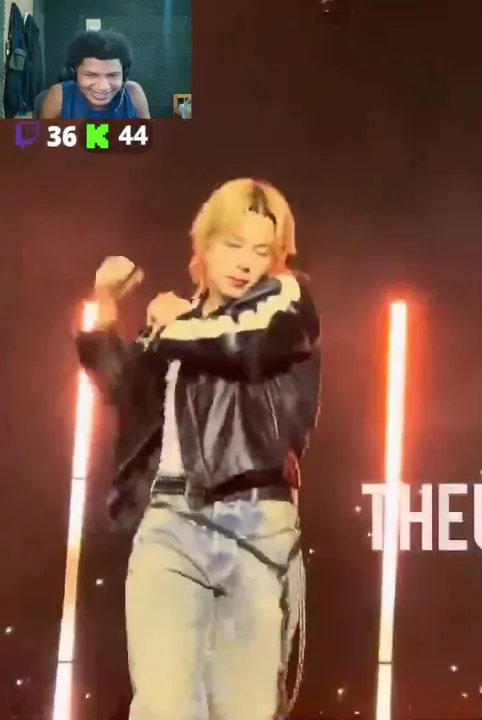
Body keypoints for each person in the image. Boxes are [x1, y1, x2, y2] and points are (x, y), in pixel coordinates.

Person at [75, 179, 319, 720]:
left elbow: (244, 346)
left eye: (262, 250)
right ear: (204, 245)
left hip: (254, 526)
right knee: (162, 707)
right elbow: (123, 389)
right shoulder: (177, 326)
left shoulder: (287, 302)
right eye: (234, 244)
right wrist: (104, 304)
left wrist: (174, 325)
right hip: (169, 523)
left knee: (244, 709)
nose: (246, 262)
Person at [39, 29, 149, 119]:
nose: (103, 87)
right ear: (74, 73)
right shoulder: (59, 95)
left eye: (113, 75)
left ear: (124, 74)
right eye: (90, 75)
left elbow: (148, 136)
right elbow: (43, 138)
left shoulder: (133, 93)